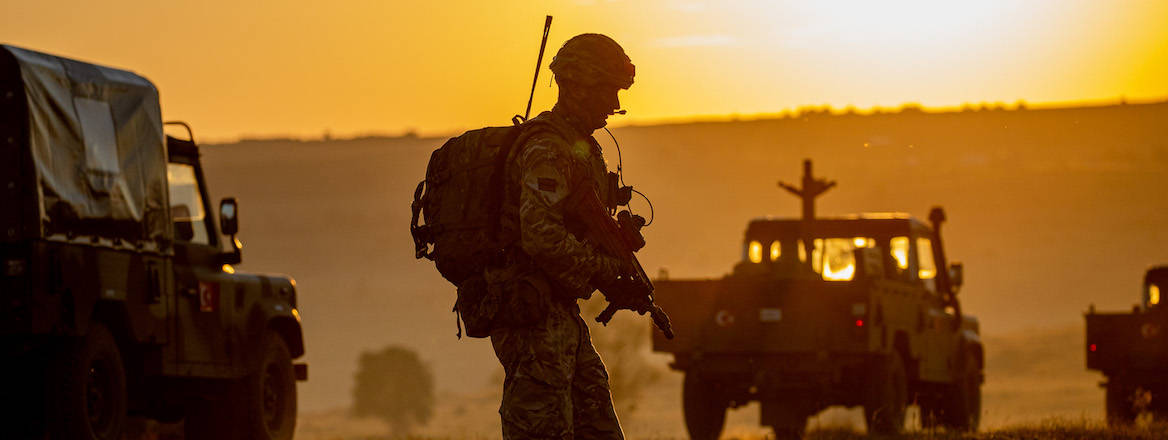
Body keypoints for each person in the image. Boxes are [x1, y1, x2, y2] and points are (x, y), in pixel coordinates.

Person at [485, 33, 636, 439]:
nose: (615, 105)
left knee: (596, 420)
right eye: (608, 91)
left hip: (557, 314)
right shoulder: (548, 149)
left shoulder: (578, 147)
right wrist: (605, 269)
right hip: (531, 315)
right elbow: (541, 237)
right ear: (580, 85)